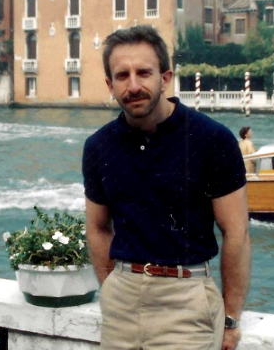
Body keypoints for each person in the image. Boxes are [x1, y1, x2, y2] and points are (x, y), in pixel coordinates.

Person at [82, 25, 251, 350]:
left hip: (186, 300)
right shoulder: (99, 146)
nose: (133, 85)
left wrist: (231, 319)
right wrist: (111, 289)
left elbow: (237, 233)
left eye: (143, 72)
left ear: (165, 77)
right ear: (109, 84)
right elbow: (98, 228)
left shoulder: (211, 139)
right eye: (122, 76)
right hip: (121, 303)